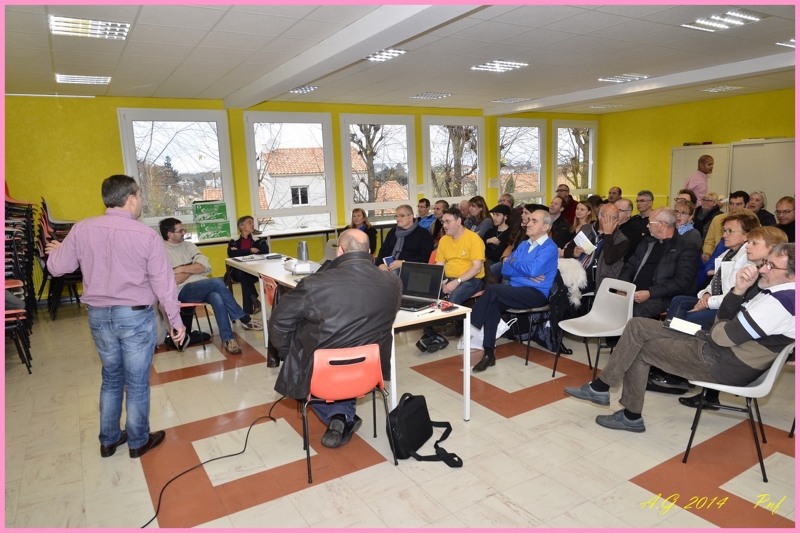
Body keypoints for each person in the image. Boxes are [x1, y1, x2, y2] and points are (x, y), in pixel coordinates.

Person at [564, 243, 795, 433]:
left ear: (793, 275)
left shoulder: (780, 303)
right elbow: (724, 324)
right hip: (712, 343)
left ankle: (629, 415)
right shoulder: (779, 292)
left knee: (639, 348)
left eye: (771, 266)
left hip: (721, 361)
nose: (763, 269)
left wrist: (720, 324)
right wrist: (738, 290)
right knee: (637, 325)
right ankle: (601, 388)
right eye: (766, 263)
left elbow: (723, 335)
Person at [46, 175, 186, 459]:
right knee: (136, 382)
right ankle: (138, 441)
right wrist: (176, 322)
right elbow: (164, 285)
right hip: (134, 317)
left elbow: (57, 268)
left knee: (111, 378)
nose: (141, 202)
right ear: (131, 198)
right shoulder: (147, 235)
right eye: (140, 196)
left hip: (98, 318)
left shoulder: (82, 228)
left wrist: (60, 251)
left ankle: (108, 441)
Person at [269, 229, 402, 448]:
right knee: (348, 346)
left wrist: (289, 353)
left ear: (339, 251)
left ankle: (340, 415)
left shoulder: (313, 283)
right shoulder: (393, 282)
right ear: (369, 252)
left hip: (323, 373)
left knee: (314, 354)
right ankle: (340, 414)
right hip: (369, 371)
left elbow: (278, 323)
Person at [676, 226, 788, 411]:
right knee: (681, 314)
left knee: (692, 322)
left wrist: (710, 302)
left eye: (754, 243)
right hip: (730, 325)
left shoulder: (767, 281)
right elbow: (720, 287)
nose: (747, 246)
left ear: (773, 248)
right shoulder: (754, 270)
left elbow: (739, 310)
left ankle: (684, 374)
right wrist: (707, 296)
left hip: (738, 343)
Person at [469, 209, 558, 372]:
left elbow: (531, 269)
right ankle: (489, 354)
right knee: (493, 304)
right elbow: (505, 270)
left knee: (493, 290)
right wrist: (525, 274)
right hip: (516, 290)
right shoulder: (524, 244)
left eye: (534, 221)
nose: (528, 223)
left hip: (536, 294)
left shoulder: (549, 247)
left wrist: (514, 263)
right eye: (529, 220)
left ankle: (472, 322)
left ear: (546, 227)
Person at [159, 217, 263, 355]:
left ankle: (229, 340)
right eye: (180, 231)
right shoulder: (161, 252)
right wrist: (193, 267)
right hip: (182, 290)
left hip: (203, 286)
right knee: (216, 282)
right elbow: (173, 280)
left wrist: (182, 268)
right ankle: (243, 318)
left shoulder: (189, 246)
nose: (184, 233)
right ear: (170, 234)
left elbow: (206, 266)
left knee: (217, 297)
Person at [666, 210, 761, 327]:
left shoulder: (748, 257)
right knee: (678, 300)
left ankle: (673, 333)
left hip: (732, 308)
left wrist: (708, 302)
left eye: (730, 231)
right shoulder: (726, 254)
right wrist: (706, 294)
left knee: (685, 319)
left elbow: (734, 295)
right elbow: (714, 284)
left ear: (747, 235)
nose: (724, 235)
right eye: (724, 231)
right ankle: (671, 332)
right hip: (716, 301)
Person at [617, 208, 699, 318]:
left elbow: (682, 282)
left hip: (665, 297)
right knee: (610, 302)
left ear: (661, 225)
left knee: (640, 310)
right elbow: (629, 267)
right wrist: (624, 287)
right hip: (636, 293)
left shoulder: (686, 247)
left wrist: (650, 293)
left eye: (650, 223)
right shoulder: (647, 242)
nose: (647, 226)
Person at [435, 206, 485, 305]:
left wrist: (456, 282)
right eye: (443, 222)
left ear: (458, 221)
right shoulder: (444, 240)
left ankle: (449, 316)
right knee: (429, 294)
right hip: (448, 278)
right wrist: (439, 283)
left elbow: (477, 268)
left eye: (448, 221)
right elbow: (439, 265)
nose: (444, 225)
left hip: (471, 280)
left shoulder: (473, 239)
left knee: (454, 297)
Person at [227, 215, 270, 315]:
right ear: (241, 226)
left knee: (245, 280)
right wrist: (251, 250)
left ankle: (248, 310)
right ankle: (254, 301)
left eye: (253, 222)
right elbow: (232, 254)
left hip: (253, 271)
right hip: (237, 272)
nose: (253, 224)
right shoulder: (234, 241)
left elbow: (265, 251)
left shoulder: (258, 240)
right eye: (249, 222)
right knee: (242, 273)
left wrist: (240, 252)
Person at [583, 203, 629, 294]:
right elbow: (569, 250)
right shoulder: (586, 229)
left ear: (618, 221)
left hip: (600, 280)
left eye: (614, 218)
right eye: (607, 217)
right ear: (599, 216)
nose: (610, 221)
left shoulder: (622, 240)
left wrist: (608, 234)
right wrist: (574, 252)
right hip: (579, 272)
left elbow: (609, 259)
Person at [375, 204, 434, 272]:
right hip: (389, 267)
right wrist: (380, 264)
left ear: (411, 217)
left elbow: (425, 258)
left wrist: (404, 263)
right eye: (396, 216)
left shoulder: (424, 234)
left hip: (411, 269)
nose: (398, 219)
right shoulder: (393, 232)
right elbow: (383, 251)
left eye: (402, 216)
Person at [701, 191, 750, 262]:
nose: (734, 208)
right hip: (717, 256)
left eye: (738, 204)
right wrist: (708, 253)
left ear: (747, 205)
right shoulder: (718, 219)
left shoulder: (751, 221)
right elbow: (709, 241)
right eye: (731, 204)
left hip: (741, 257)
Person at [482, 204, 512, 282]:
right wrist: (487, 241)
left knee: (488, 272)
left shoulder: (511, 233)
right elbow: (479, 246)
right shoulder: (490, 231)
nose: (494, 218)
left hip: (498, 262)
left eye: (497, 215)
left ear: (505, 217)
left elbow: (499, 254)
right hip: (484, 260)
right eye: (493, 215)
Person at [616, 198, 646, 263]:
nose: (615, 213)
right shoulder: (611, 225)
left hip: (625, 263)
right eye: (614, 210)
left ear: (628, 213)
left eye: (620, 210)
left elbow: (620, 250)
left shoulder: (634, 229)